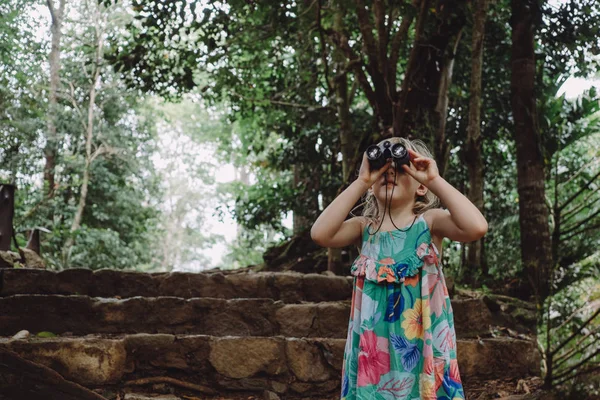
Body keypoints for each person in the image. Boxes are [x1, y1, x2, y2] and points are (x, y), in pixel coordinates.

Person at [311, 137, 488, 399]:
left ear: (420, 188)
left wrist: (433, 180)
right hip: (374, 354)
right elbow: (320, 233)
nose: (389, 171)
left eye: (401, 167)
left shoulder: (429, 223)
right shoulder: (364, 228)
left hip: (422, 348)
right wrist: (361, 181)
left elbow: (477, 227)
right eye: (382, 166)